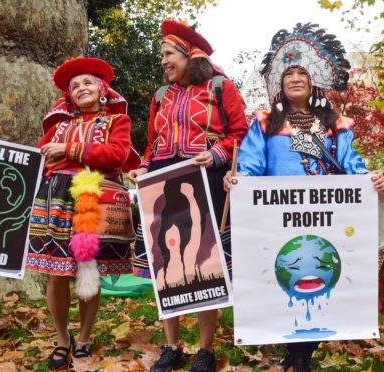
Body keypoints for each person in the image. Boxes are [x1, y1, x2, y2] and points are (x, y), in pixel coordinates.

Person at [223, 23, 384, 372]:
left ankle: (303, 355)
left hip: (325, 213)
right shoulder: (264, 122)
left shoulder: (333, 122)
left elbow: (349, 161)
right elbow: (251, 164)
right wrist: (238, 180)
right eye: (288, 74)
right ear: (278, 84)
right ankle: (294, 353)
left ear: (313, 81)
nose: (295, 78)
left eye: (302, 72)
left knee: (319, 274)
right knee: (284, 274)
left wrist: (367, 177)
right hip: (275, 216)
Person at [127, 19, 247, 372]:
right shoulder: (160, 96)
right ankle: (171, 346)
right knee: (167, 264)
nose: (162, 61)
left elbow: (240, 133)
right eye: (161, 55)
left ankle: (206, 350)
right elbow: (151, 143)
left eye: (168, 54)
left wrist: (218, 154)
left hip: (205, 179)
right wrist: (145, 166)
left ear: (188, 55)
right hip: (162, 183)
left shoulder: (220, 87)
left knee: (203, 263)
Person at [27, 56, 140, 370]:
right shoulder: (59, 126)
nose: (81, 88)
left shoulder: (117, 122)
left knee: (90, 269)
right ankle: (63, 339)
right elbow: (38, 158)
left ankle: (86, 337)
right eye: (74, 86)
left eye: (87, 82)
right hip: (57, 201)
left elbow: (117, 154)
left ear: (102, 89)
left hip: (97, 199)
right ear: (69, 96)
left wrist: (69, 151)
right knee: (56, 273)